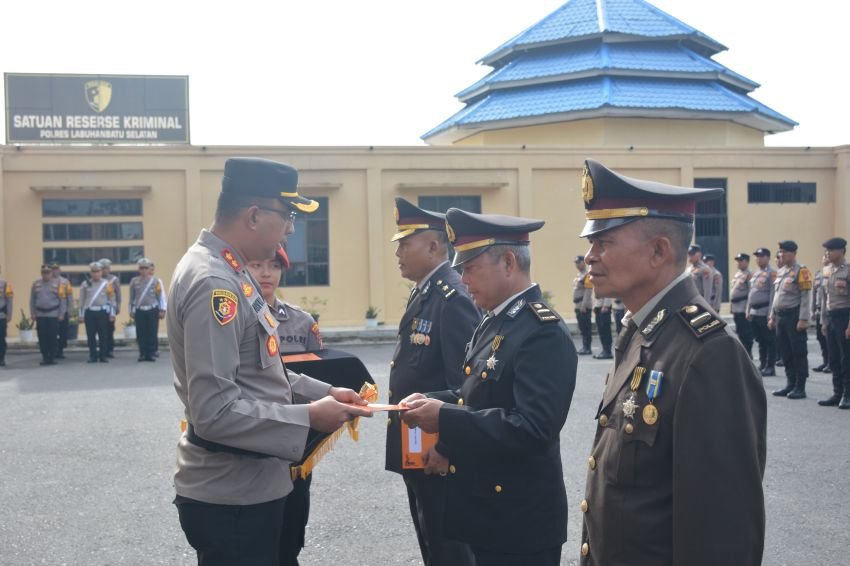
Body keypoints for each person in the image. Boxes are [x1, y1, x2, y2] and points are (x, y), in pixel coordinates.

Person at [168, 156, 371, 566]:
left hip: (251, 486)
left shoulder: (231, 271)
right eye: (287, 215)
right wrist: (311, 416)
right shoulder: (215, 283)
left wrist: (326, 392)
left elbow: (262, 371)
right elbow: (215, 412)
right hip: (233, 496)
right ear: (255, 215)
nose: (291, 228)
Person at [577, 159, 766, 565]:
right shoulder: (643, 331)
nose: (590, 256)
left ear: (658, 251)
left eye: (603, 243)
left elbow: (722, 534)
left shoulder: (708, 352)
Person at [401, 207, 577, 566]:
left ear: (508, 262)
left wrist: (445, 419)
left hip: (519, 524)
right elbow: (475, 394)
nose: (462, 280)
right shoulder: (493, 321)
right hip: (489, 515)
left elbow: (533, 429)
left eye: (469, 268)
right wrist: (431, 401)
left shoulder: (541, 331)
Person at [385, 197, 479, 566]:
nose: (398, 251)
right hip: (417, 446)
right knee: (432, 542)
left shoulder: (452, 296)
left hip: (437, 451)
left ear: (434, 246)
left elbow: (468, 385)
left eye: (405, 243)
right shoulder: (426, 290)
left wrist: (449, 447)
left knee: (449, 549)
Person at [247, 245, 325, 566]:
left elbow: (321, 375)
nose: (266, 273)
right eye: (257, 263)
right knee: (253, 540)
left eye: (274, 266)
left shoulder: (301, 322)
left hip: (295, 445)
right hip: (251, 438)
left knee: (290, 533)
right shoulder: (234, 319)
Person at [769, 240, 812, 399]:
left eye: (785, 251)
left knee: (798, 352)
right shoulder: (781, 271)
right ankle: (790, 384)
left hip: (794, 316)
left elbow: (805, 297)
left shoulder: (802, 271)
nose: (782, 254)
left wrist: (803, 319)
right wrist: (772, 316)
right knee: (785, 352)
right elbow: (777, 297)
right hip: (780, 316)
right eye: (780, 252)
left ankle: (800, 387)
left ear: (793, 253)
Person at [819, 237, 850, 409]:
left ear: (841, 251)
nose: (828, 253)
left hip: (844, 317)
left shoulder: (848, 270)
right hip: (831, 317)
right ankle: (837, 393)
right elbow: (824, 298)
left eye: (831, 250)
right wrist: (824, 321)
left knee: (846, 358)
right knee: (834, 358)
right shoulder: (827, 271)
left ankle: (847, 394)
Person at [747, 248, 777, 376]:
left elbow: (773, 293)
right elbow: (751, 293)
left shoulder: (772, 273)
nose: (759, 258)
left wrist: (771, 313)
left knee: (769, 340)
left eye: (761, 256)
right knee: (760, 340)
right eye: (757, 256)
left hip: (764, 311)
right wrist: (747, 309)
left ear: (768, 258)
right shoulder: (755, 274)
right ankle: (763, 364)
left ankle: (770, 366)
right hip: (754, 312)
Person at [128, 258, 165, 362]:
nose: (143, 270)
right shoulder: (134, 281)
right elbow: (132, 297)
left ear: (150, 269)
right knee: (141, 333)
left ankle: (151, 353)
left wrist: (162, 310)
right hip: (140, 310)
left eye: (146, 268)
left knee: (152, 332)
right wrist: (131, 310)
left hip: (152, 309)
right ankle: (142, 353)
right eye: (141, 268)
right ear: (139, 269)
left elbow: (160, 296)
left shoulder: (156, 281)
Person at [78, 261, 116, 363]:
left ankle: (103, 355)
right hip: (90, 313)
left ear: (101, 272)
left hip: (102, 312)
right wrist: (81, 315)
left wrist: (112, 314)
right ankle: (93, 356)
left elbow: (112, 299)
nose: (95, 274)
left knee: (103, 335)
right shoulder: (85, 284)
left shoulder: (107, 284)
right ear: (90, 273)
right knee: (91, 335)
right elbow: (81, 300)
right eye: (93, 272)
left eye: (98, 271)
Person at [30, 264, 66, 366]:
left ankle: (52, 356)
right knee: (42, 337)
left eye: (48, 273)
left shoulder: (59, 283)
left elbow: (62, 299)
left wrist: (61, 313)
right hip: (40, 314)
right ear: (41, 273)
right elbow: (32, 299)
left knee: (52, 336)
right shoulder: (36, 283)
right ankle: (45, 356)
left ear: (51, 273)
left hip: (53, 314)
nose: (46, 275)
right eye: (44, 273)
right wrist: (32, 312)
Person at [730, 252, 754, 357]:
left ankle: (748, 352)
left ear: (747, 262)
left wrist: (748, 309)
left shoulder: (749, 274)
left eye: (741, 261)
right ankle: (743, 352)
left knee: (746, 333)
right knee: (739, 331)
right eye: (738, 261)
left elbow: (751, 293)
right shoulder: (738, 274)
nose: (739, 263)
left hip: (743, 307)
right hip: (736, 308)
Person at [98, 258, 121, 358]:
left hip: (110, 307)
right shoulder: (96, 280)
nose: (104, 270)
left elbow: (118, 294)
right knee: (101, 330)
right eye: (103, 268)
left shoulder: (114, 279)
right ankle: (103, 349)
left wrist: (118, 306)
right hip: (100, 308)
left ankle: (110, 349)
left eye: (106, 268)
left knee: (110, 329)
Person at [812, 254, 831, 373]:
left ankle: (831, 362)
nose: (825, 258)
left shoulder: (832, 273)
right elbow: (814, 293)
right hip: (819, 310)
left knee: (829, 338)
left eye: (827, 255)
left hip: (829, 310)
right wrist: (812, 310)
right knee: (820, 337)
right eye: (824, 256)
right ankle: (825, 361)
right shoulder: (819, 274)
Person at [50, 263, 73, 359]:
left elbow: (69, 297)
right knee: (52, 333)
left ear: (59, 270)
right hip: (52, 312)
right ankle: (53, 350)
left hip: (64, 311)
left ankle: (60, 350)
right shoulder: (47, 281)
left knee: (63, 333)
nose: (55, 271)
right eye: (53, 269)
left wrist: (70, 310)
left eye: (56, 269)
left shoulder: (65, 282)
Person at [573, 255, 594, 355]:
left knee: (586, 327)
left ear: (583, 262)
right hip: (578, 304)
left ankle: (587, 347)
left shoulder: (587, 275)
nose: (577, 265)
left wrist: (584, 305)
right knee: (582, 327)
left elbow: (588, 290)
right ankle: (584, 346)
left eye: (578, 262)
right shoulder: (579, 275)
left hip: (583, 305)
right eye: (576, 263)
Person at [591, 288, 613, 359]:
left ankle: (608, 351)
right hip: (598, 307)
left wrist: (606, 305)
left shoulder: (605, 278)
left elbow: (608, 291)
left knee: (605, 330)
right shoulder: (596, 279)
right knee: (601, 330)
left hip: (604, 308)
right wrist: (594, 306)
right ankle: (604, 350)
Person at [0, 265, 12, 367]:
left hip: (1, 316)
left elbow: (9, 300)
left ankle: (1, 358)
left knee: (1, 338)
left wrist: (9, 314)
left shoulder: (5, 284)